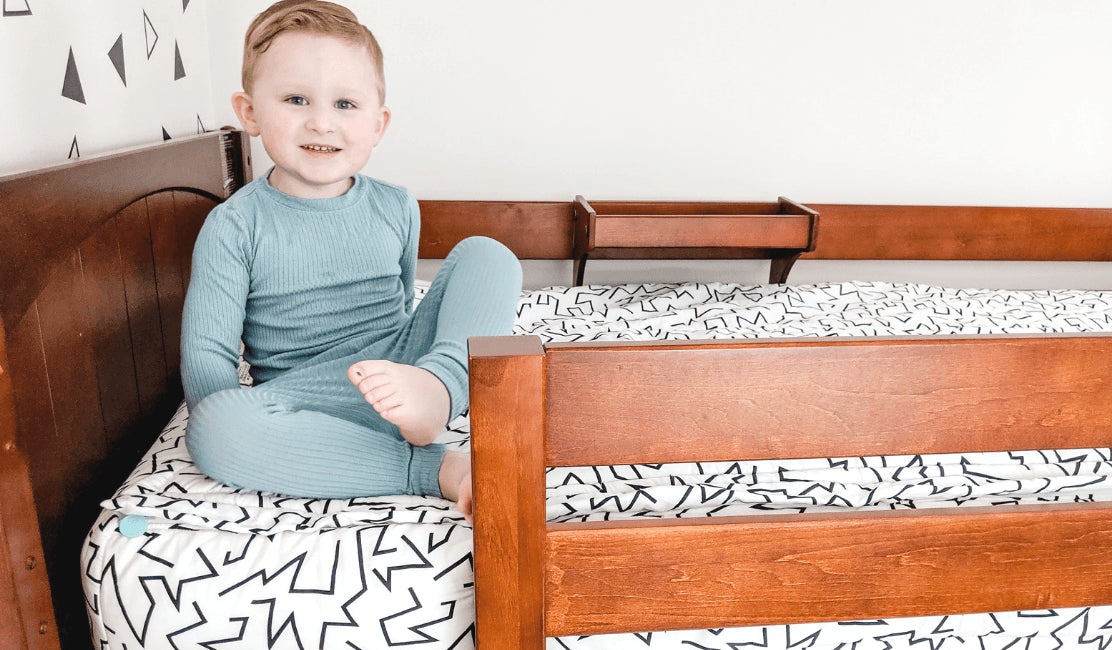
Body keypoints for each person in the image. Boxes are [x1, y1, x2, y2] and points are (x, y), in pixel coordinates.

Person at [181, 0, 521, 522]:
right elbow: (208, 359)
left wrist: (420, 379)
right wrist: (240, 424)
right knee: (213, 425)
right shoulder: (234, 226)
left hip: (405, 374)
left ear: (378, 123)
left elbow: (403, 304)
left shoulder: (396, 204)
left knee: (488, 254)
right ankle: (435, 468)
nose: (322, 122)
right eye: (296, 99)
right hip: (306, 403)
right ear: (249, 113)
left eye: (345, 104)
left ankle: (441, 389)